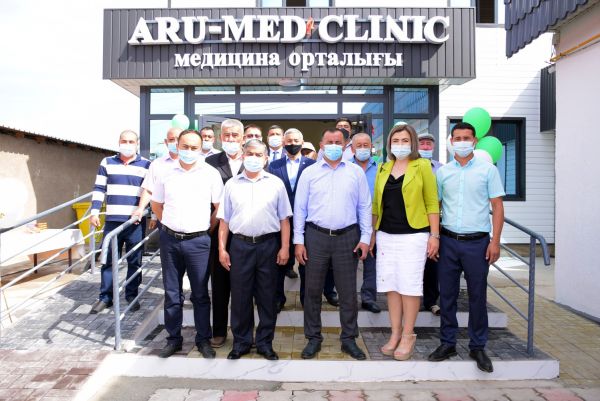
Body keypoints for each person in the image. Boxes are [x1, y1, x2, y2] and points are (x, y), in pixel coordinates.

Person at [428, 122, 505, 373]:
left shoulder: (488, 170)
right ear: (451, 142)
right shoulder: (443, 172)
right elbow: (435, 206)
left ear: (475, 141)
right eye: (457, 138)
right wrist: (435, 237)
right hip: (448, 241)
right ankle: (447, 343)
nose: (462, 142)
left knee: (477, 296)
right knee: (447, 295)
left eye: (466, 138)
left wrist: (495, 241)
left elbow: (498, 206)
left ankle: (477, 346)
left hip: (478, 243)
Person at [294, 128, 372, 361]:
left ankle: (349, 339)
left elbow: (364, 206)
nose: (334, 145)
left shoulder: (355, 172)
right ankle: (313, 338)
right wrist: (299, 241)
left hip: (348, 237)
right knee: (312, 291)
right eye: (329, 142)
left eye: (338, 142)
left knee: (348, 293)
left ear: (346, 145)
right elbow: (300, 208)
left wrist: (365, 237)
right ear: (321, 144)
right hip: (315, 236)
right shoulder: (309, 173)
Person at [151, 129, 223, 359]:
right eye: (185, 146)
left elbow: (219, 208)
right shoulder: (165, 172)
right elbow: (156, 204)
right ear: (177, 146)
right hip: (170, 241)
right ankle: (173, 339)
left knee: (200, 294)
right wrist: (168, 225)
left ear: (201, 149)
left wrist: (206, 229)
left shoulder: (210, 174)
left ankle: (203, 340)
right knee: (172, 293)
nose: (189, 151)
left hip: (199, 242)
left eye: (194, 147)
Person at [218, 139, 292, 360]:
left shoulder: (276, 184)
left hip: (268, 245)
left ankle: (265, 343)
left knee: (267, 297)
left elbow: (284, 220)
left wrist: (285, 247)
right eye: (250, 153)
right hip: (239, 246)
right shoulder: (231, 184)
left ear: (266, 158)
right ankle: (241, 343)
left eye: (259, 154)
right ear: (243, 155)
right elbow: (224, 221)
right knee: (240, 297)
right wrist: (222, 249)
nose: (254, 158)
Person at [371, 123, 440, 361]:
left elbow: (432, 202)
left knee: (409, 286)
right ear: (389, 144)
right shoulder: (383, 168)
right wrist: (372, 233)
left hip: (414, 235)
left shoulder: (422, 166)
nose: (400, 145)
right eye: (395, 141)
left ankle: (409, 335)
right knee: (391, 285)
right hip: (386, 235)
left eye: (404, 140)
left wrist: (434, 235)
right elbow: (376, 205)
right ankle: (395, 333)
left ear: (412, 143)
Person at [268, 128, 337, 313]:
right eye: (289, 141)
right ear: (284, 143)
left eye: (296, 140)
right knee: (280, 261)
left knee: (307, 262)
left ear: (302, 141)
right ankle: (278, 298)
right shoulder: (273, 166)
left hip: (307, 222)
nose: (292, 144)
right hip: (280, 221)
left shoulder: (313, 165)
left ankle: (307, 299)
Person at [89, 130, 151, 314]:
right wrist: (94, 212)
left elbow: (150, 191)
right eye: (124, 141)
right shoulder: (107, 162)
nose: (127, 144)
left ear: (137, 144)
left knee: (135, 261)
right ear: (119, 142)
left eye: (131, 141)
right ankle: (105, 297)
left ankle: (132, 295)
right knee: (108, 260)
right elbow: (99, 188)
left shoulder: (146, 164)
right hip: (112, 221)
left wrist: (152, 216)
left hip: (134, 222)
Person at [205, 119, 245, 348]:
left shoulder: (254, 159)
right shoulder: (210, 162)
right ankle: (219, 331)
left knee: (244, 288)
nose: (231, 139)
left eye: (235, 135)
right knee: (219, 286)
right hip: (216, 233)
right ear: (221, 138)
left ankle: (243, 333)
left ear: (242, 137)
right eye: (227, 135)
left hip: (244, 233)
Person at [350, 133, 381, 314]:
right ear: (352, 148)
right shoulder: (345, 168)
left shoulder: (381, 169)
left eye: (366, 145)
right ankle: (348, 298)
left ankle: (368, 298)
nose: (363, 148)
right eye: (359, 145)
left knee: (371, 261)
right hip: (350, 223)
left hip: (373, 223)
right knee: (348, 264)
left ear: (371, 147)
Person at [133, 127, 182, 231]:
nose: (175, 142)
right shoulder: (157, 164)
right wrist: (141, 208)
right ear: (166, 142)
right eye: (171, 139)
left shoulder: (196, 163)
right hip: (164, 217)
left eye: (178, 139)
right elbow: (148, 189)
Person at [418, 132, 444, 316]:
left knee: (432, 262)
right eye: (422, 144)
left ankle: (431, 301)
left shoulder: (441, 169)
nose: (426, 147)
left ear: (433, 147)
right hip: (413, 221)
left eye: (429, 144)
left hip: (434, 222)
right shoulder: (410, 165)